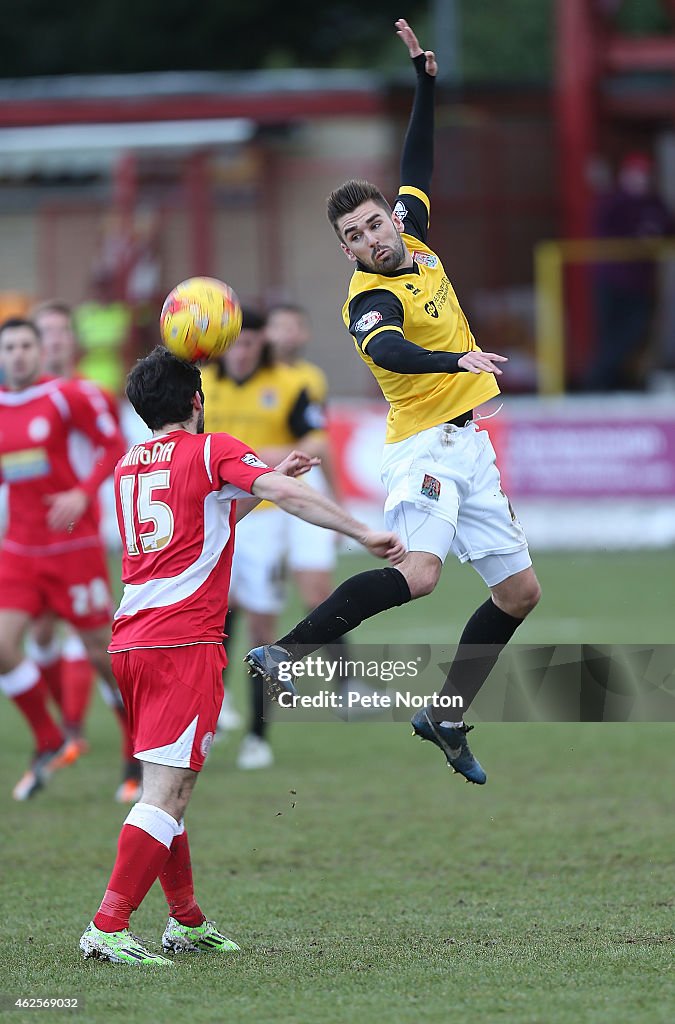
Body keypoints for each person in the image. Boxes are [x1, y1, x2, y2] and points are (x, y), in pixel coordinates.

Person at [246, 19, 541, 785]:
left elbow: (417, 161)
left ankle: (445, 712)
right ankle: (287, 653)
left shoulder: (413, 233)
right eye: (355, 234)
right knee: (417, 576)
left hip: (469, 443)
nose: (372, 238)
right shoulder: (366, 296)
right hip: (424, 447)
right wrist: (456, 355)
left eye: (375, 222)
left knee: (519, 592)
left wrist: (424, 84)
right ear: (345, 250)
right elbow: (387, 351)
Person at [79, 345, 403, 964]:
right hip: (183, 644)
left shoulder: (130, 464)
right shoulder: (212, 448)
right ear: (197, 401)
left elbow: (211, 510)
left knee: (165, 787)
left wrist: (279, 480)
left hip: (133, 643)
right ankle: (108, 926)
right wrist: (361, 530)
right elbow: (274, 494)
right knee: (166, 795)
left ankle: (186, 920)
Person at [0, 317, 136, 801]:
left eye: (24, 345)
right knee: (3, 645)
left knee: (103, 654)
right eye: (9, 346)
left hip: (71, 549)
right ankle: (49, 738)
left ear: (38, 352)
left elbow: (112, 445)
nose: (17, 354)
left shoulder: (64, 396)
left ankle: (135, 748)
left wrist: (81, 494)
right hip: (19, 550)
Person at [201, 309, 327, 769]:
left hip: (267, 517)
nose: (242, 351)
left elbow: (318, 441)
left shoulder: (289, 385)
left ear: (261, 345)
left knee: (261, 627)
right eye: (236, 342)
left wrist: (259, 460)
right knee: (211, 620)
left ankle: (258, 735)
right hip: (215, 513)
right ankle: (212, 717)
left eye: (250, 342)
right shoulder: (202, 387)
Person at [587, 151, 674, 391]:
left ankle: (616, 377)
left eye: (644, 174)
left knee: (637, 332)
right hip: (612, 281)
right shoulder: (614, 201)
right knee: (613, 333)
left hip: (642, 282)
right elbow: (601, 226)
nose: (641, 180)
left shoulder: (654, 203)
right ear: (625, 176)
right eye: (636, 174)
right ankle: (600, 380)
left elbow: (667, 226)